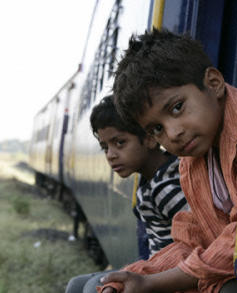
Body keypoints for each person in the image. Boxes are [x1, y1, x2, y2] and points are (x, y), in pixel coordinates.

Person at [95, 28, 237, 293]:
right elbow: (191, 238)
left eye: (177, 107)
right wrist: (134, 275)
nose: (173, 133)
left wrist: (153, 283)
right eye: (156, 129)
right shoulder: (191, 160)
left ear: (213, 83)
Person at [65, 95, 189, 292]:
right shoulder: (151, 181)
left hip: (173, 278)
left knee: (90, 288)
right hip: (157, 271)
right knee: (76, 285)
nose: (110, 155)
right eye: (105, 147)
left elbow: (199, 245)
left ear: (149, 138)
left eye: (120, 143)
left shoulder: (165, 189)